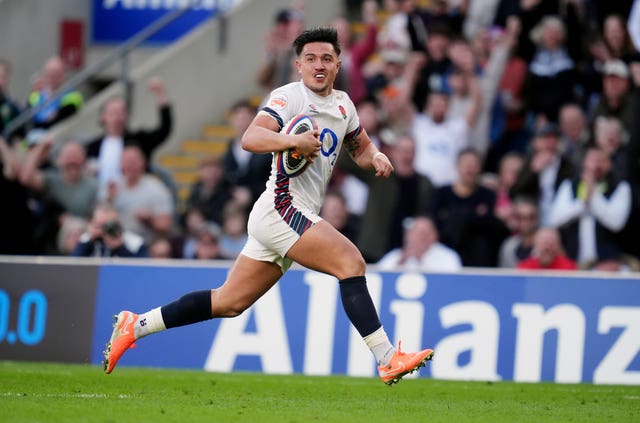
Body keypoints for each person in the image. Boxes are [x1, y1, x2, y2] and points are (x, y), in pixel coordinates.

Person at [103, 27, 434, 385]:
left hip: (292, 214)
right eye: (310, 59)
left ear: (338, 64)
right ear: (298, 65)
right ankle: (387, 358)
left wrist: (378, 156)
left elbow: (361, 148)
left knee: (228, 302)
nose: (318, 66)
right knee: (351, 262)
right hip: (282, 208)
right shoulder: (289, 97)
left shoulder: (344, 106)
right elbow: (251, 137)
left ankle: (134, 325)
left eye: (326, 59)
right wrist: (292, 140)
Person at [85, 76, 172, 194]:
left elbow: (164, 130)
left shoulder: (138, 140)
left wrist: (160, 94)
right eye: (113, 113)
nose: (118, 117)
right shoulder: (93, 146)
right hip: (102, 201)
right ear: (103, 117)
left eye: (122, 112)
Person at [377, 215, 462, 271]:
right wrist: (401, 262)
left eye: (425, 233)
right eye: (417, 233)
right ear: (408, 235)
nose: (422, 237)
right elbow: (377, 274)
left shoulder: (448, 256)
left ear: (435, 235)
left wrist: (421, 260)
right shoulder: (396, 255)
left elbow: (452, 281)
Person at [72, 203, 148, 258]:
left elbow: (142, 271)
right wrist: (89, 241)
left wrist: (120, 248)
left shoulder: (134, 243)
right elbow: (74, 266)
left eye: (110, 225)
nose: (105, 230)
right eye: (100, 225)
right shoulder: (87, 239)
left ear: (119, 223)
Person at [27, 56, 83, 130]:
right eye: (50, 74)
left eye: (57, 74)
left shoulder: (73, 96)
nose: (53, 77)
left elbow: (59, 121)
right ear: (44, 75)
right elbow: (26, 121)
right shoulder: (36, 95)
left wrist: (45, 120)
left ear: (63, 75)